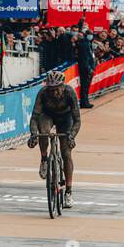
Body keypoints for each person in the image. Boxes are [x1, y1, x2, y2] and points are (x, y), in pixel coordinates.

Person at [28, 70, 81, 209]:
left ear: (63, 86)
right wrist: (33, 134)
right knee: (44, 132)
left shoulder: (70, 93)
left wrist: (71, 136)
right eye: (51, 90)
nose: (54, 93)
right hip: (48, 115)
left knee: (66, 153)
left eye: (57, 90)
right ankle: (44, 159)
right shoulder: (43, 93)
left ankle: (68, 191)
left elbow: (77, 120)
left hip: (66, 118)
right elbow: (34, 117)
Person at [76, 22, 97, 109]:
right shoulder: (84, 44)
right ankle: (84, 103)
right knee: (84, 86)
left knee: (86, 86)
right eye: (89, 34)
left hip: (89, 68)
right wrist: (89, 69)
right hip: (85, 69)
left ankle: (86, 101)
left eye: (91, 34)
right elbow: (84, 58)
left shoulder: (88, 43)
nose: (91, 35)